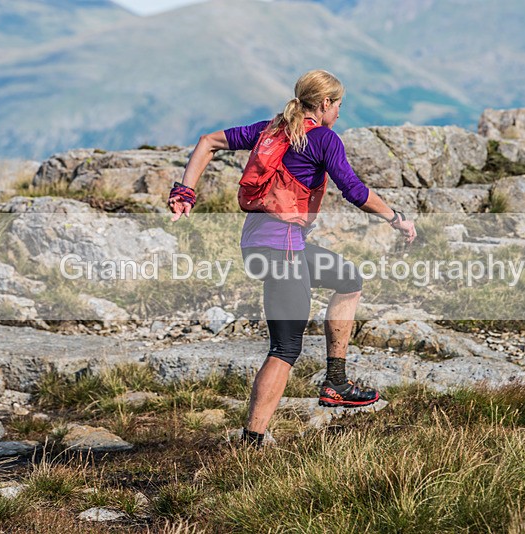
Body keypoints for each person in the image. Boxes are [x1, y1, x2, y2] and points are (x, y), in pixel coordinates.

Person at [168, 69, 416, 448]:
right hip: (284, 250)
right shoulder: (323, 139)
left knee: (349, 280)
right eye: (339, 105)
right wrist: (395, 218)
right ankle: (252, 441)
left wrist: (185, 190)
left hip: (259, 245)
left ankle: (336, 381)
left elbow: (207, 141)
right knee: (285, 349)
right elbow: (354, 190)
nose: (339, 113)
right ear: (325, 104)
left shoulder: (270, 129)